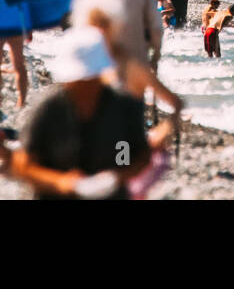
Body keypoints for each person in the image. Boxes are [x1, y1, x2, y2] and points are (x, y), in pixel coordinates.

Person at [14, 27, 150, 199]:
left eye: (90, 79)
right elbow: (23, 163)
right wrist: (60, 182)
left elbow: (141, 156)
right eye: (79, 80)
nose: (85, 86)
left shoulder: (124, 106)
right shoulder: (48, 107)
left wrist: (116, 177)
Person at [71, 0, 185, 150]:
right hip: (119, 143)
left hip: (89, 148)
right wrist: (158, 137)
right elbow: (177, 103)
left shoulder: (78, 64)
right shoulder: (131, 65)